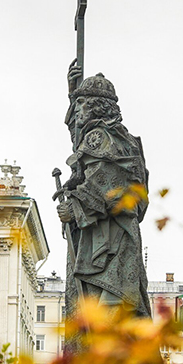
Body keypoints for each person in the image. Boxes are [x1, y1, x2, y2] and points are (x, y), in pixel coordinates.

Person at [55, 60, 151, 321]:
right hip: (114, 233)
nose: (78, 109)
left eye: (82, 103)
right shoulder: (114, 135)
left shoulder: (102, 137)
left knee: (106, 306)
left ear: (96, 105)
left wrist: (74, 207)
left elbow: (105, 181)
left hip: (108, 238)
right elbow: (81, 147)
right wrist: (73, 93)